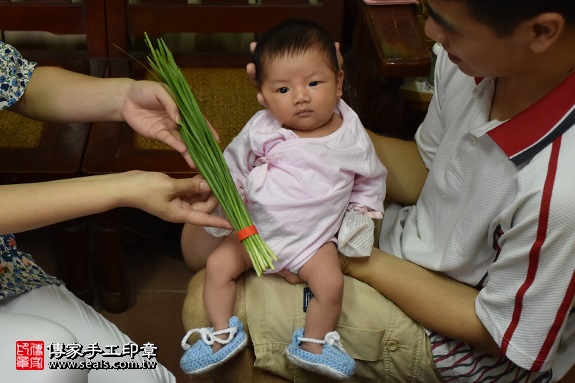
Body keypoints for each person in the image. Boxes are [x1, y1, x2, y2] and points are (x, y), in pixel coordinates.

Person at [182, 1, 575, 382]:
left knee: (205, 299)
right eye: (430, 11)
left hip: (462, 342)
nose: (430, 33)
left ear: (540, 31)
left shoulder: (560, 190)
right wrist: (317, 112)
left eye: (448, 24)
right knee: (197, 237)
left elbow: (499, 333)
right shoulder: (473, 65)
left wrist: (342, 253)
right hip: (407, 241)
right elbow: (428, 168)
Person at [0, 40, 232, 383]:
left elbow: (19, 83)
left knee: (142, 376)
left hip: (8, 276)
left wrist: (124, 97)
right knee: (48, 361)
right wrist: (122, 189)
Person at [179, 19, 386, 380]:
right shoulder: (262, 127)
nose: (301, 96)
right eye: (282, 89)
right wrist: (231, 195)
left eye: (314, 83)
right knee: (217, 268)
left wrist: (360, 215)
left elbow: (370, 179)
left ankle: (314, 343)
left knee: (331, 285)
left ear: (338, 82)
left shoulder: (352, 135)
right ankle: (222, 333)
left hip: (312, 243)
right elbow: (234, 166)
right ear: (262, 94)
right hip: (255, 233)